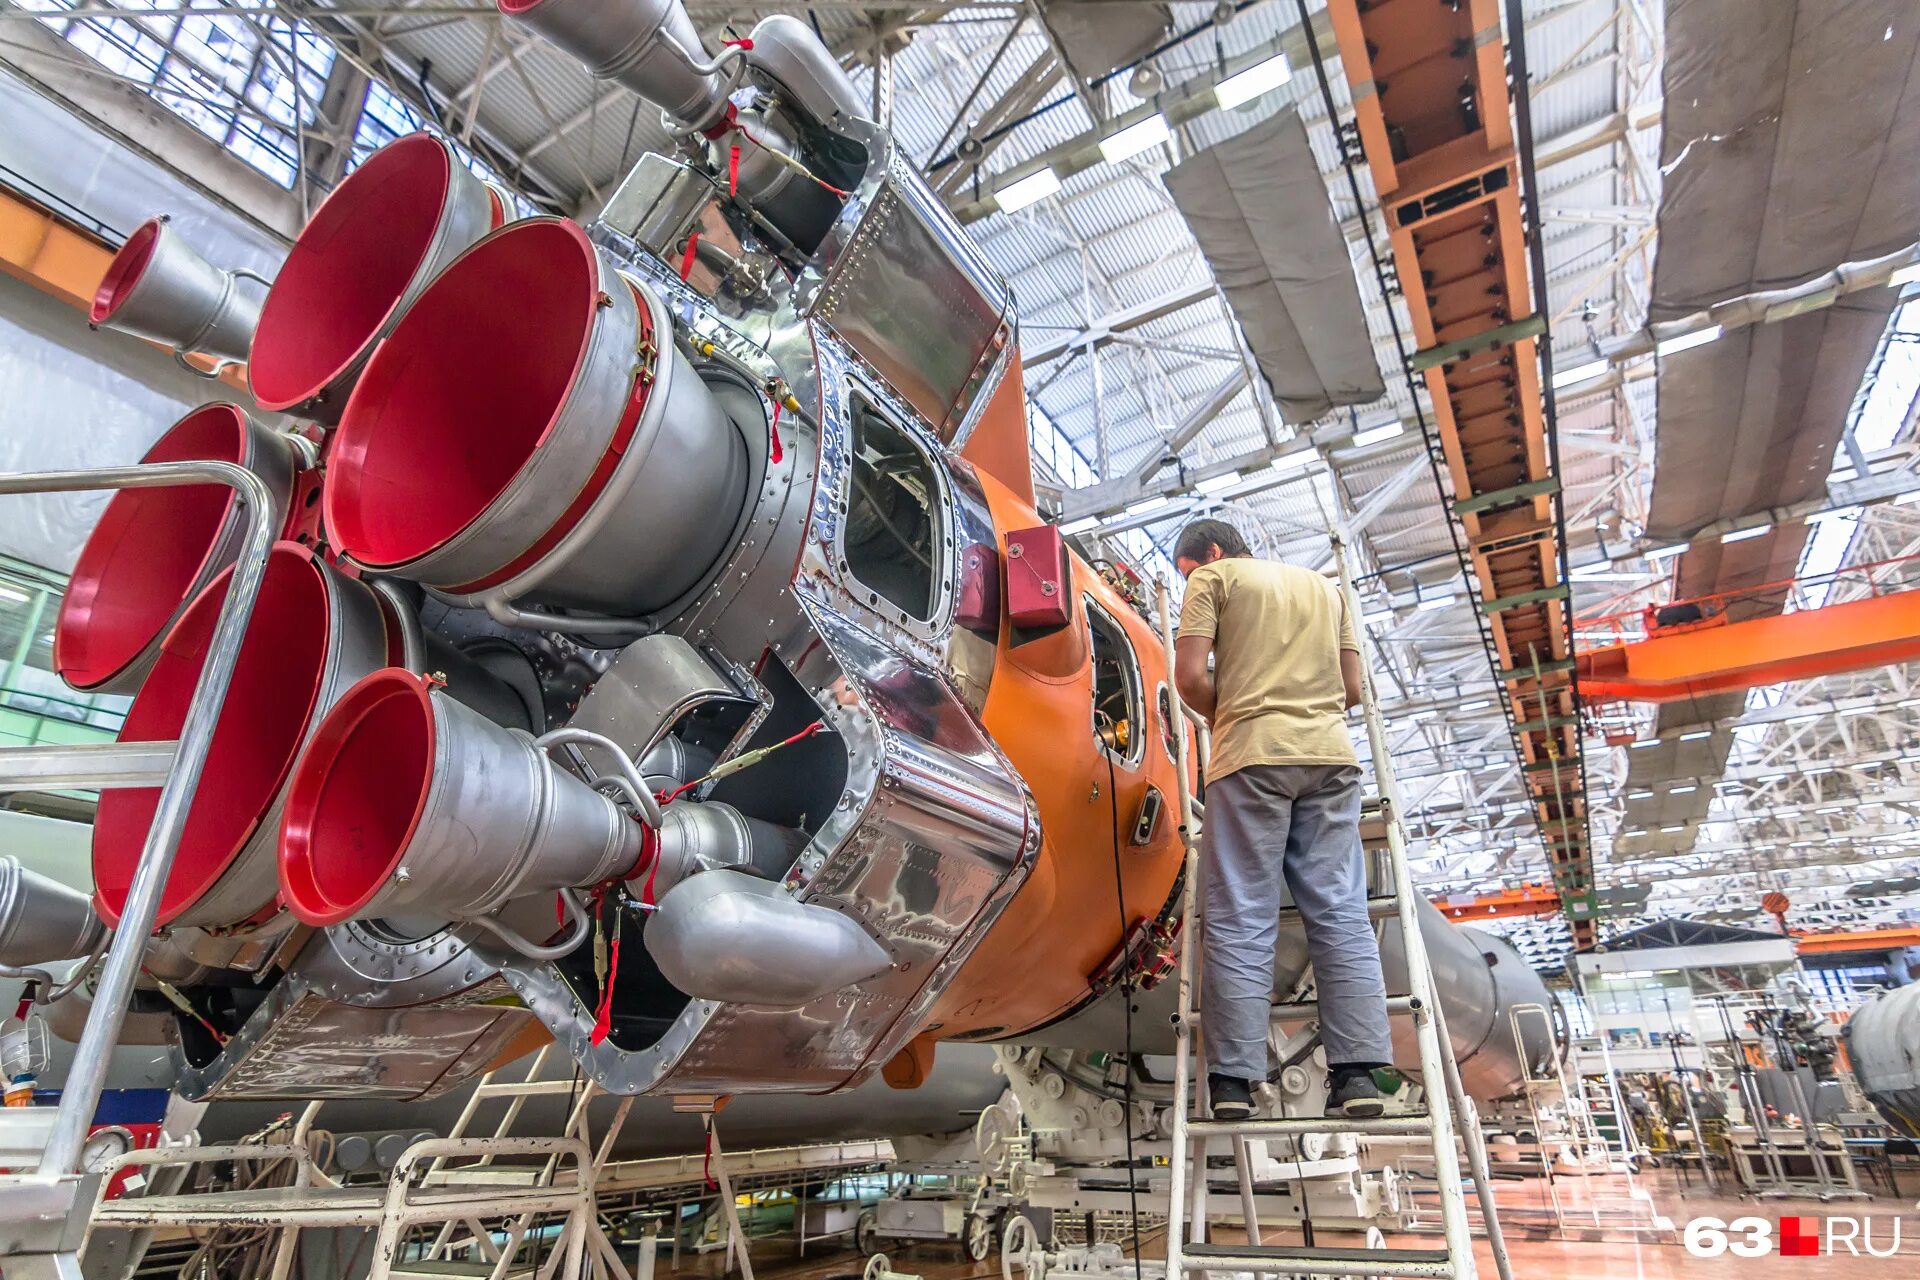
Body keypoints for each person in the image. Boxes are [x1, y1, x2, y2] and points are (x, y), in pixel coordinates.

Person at [1172, 518, 1393, 1120]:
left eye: (1186, 571)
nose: (1188, 581)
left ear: (1210, 553)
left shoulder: (1212, 579)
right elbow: (1353, 686)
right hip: (1330, 760)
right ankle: (1356, 1078)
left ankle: (1233, 1085)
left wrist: (1238, 712)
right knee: (1341, 912)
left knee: (1241, 914)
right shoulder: (1328, 591)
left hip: (1251, 758)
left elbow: (1189, 678)